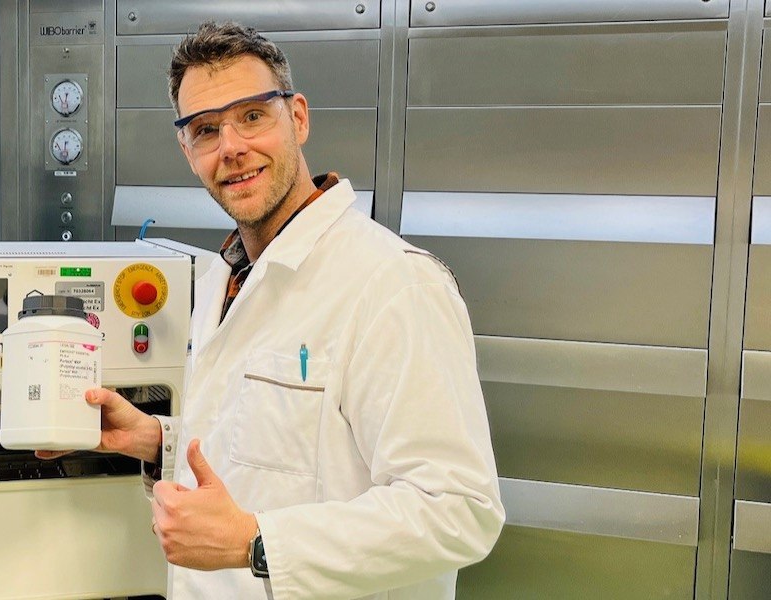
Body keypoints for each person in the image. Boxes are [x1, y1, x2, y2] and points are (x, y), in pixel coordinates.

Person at [37, 21, 504, 599]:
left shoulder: (393, 284)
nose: (231, 147)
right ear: (188, 151)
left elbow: (459, 510)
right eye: (206, 130)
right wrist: (159, 440)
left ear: (298, 118)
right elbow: (267, 446)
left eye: (253, 115)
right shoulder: (221, 278)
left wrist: (257, 543)